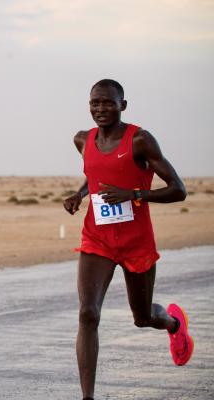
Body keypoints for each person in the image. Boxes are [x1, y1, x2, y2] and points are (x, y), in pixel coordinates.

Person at [63, 79, 194, 399]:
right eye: (95, 102)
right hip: (97, 239)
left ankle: (174, 325)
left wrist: (133, 194)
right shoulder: (83, 139)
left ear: (123, 105)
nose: (100, 108)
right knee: (88, 313)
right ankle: (87, 397)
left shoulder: (141, 141)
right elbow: (94, 174)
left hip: (136, 241)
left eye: (108, 102)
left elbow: (178, 189)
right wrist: (80, 195)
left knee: (143, 316)